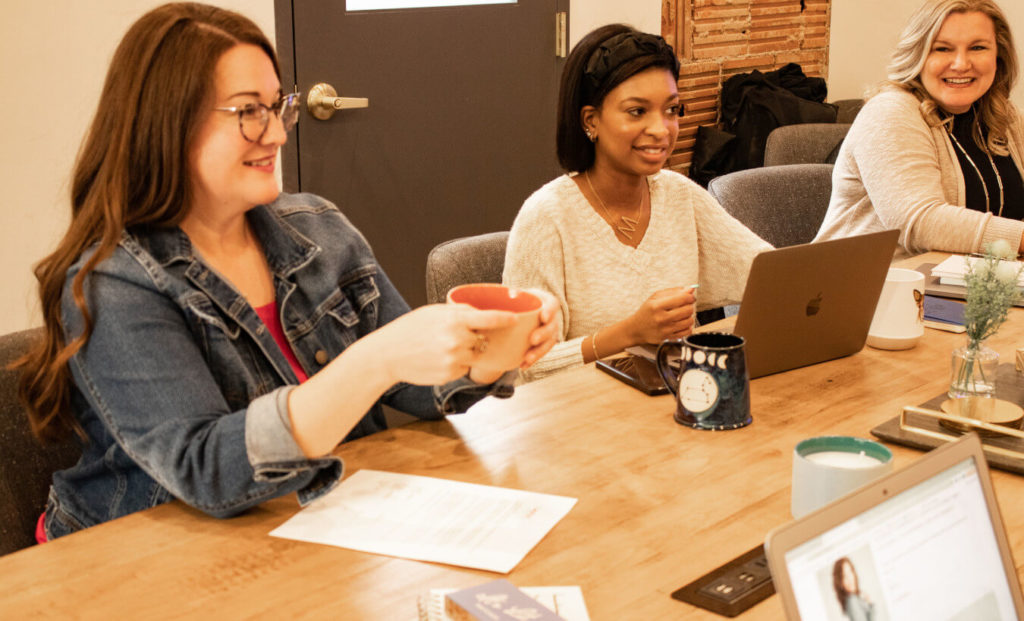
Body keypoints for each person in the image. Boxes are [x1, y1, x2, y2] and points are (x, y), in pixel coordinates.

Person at [15, 2, 558, 541]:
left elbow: (415, 388)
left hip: (308, 524)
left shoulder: (318, 229)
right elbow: (209, 472)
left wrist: (494, 351)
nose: (276, 134)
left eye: (278, 107)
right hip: (135, 554)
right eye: (249, 111)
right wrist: (378, 359)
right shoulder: (116, 282)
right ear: (168, 123)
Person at [503, 24, 771, 380]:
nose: (661, 129)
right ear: (590, 121)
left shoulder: (680, 195)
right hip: (577, 420)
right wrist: (628, 333)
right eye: (637, 111)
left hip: (673, 402)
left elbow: (769, 276)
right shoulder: (546, 217)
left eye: (672, 110)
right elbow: (525, 366)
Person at [814, 0, 1024, 257]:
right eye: (943, 49)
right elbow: (920, 221)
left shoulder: (1004, 115)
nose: (961, 64)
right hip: (873, 286)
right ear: (919, 55)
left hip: (974, 284)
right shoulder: (890, 112)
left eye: (978, 47)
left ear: (998, 56)